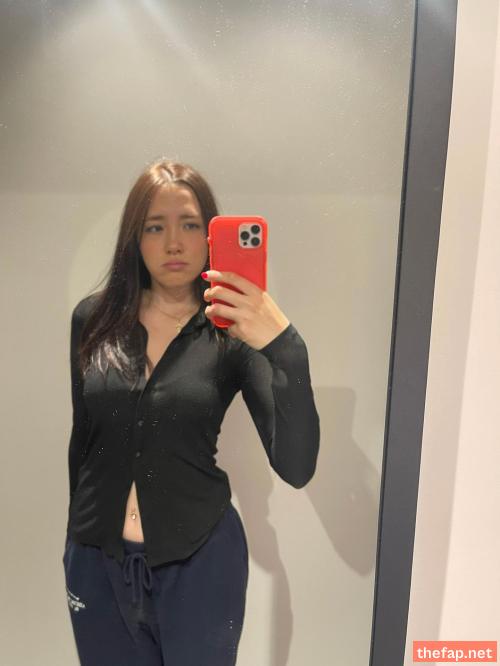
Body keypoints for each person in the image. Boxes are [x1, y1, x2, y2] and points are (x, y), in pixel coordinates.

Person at [62, 158, 320, 665]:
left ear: (210, 235)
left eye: (190, 225)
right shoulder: (93, 320)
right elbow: (83, 438)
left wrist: (286, 348)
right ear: (134, 238)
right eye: (155, 227)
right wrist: (77, 539)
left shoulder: (232, 331)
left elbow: (296, 467)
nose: (174, 243)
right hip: (96, 563)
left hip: (201, 563)